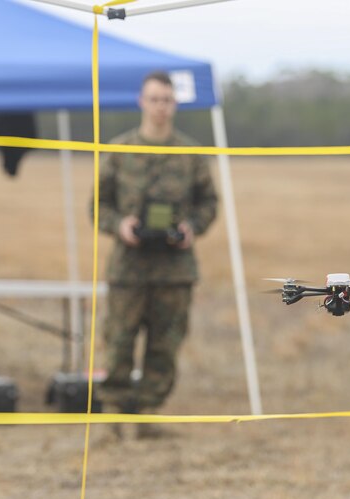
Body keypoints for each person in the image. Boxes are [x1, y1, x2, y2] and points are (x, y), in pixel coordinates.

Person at [92, 71, 218, 438]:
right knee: (118, 341)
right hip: (128, 269)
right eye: (154, 99)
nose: (161, 107)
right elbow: (97, 205)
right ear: (141, 102)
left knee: (165, 344)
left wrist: (192, 226)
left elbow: (209, 202)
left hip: (174, 269)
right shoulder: (119, 151)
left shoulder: (190, 154)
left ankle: (147, 413)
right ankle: (112, 416)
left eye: (167, 100)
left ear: (174, 104)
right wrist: (120, 225)